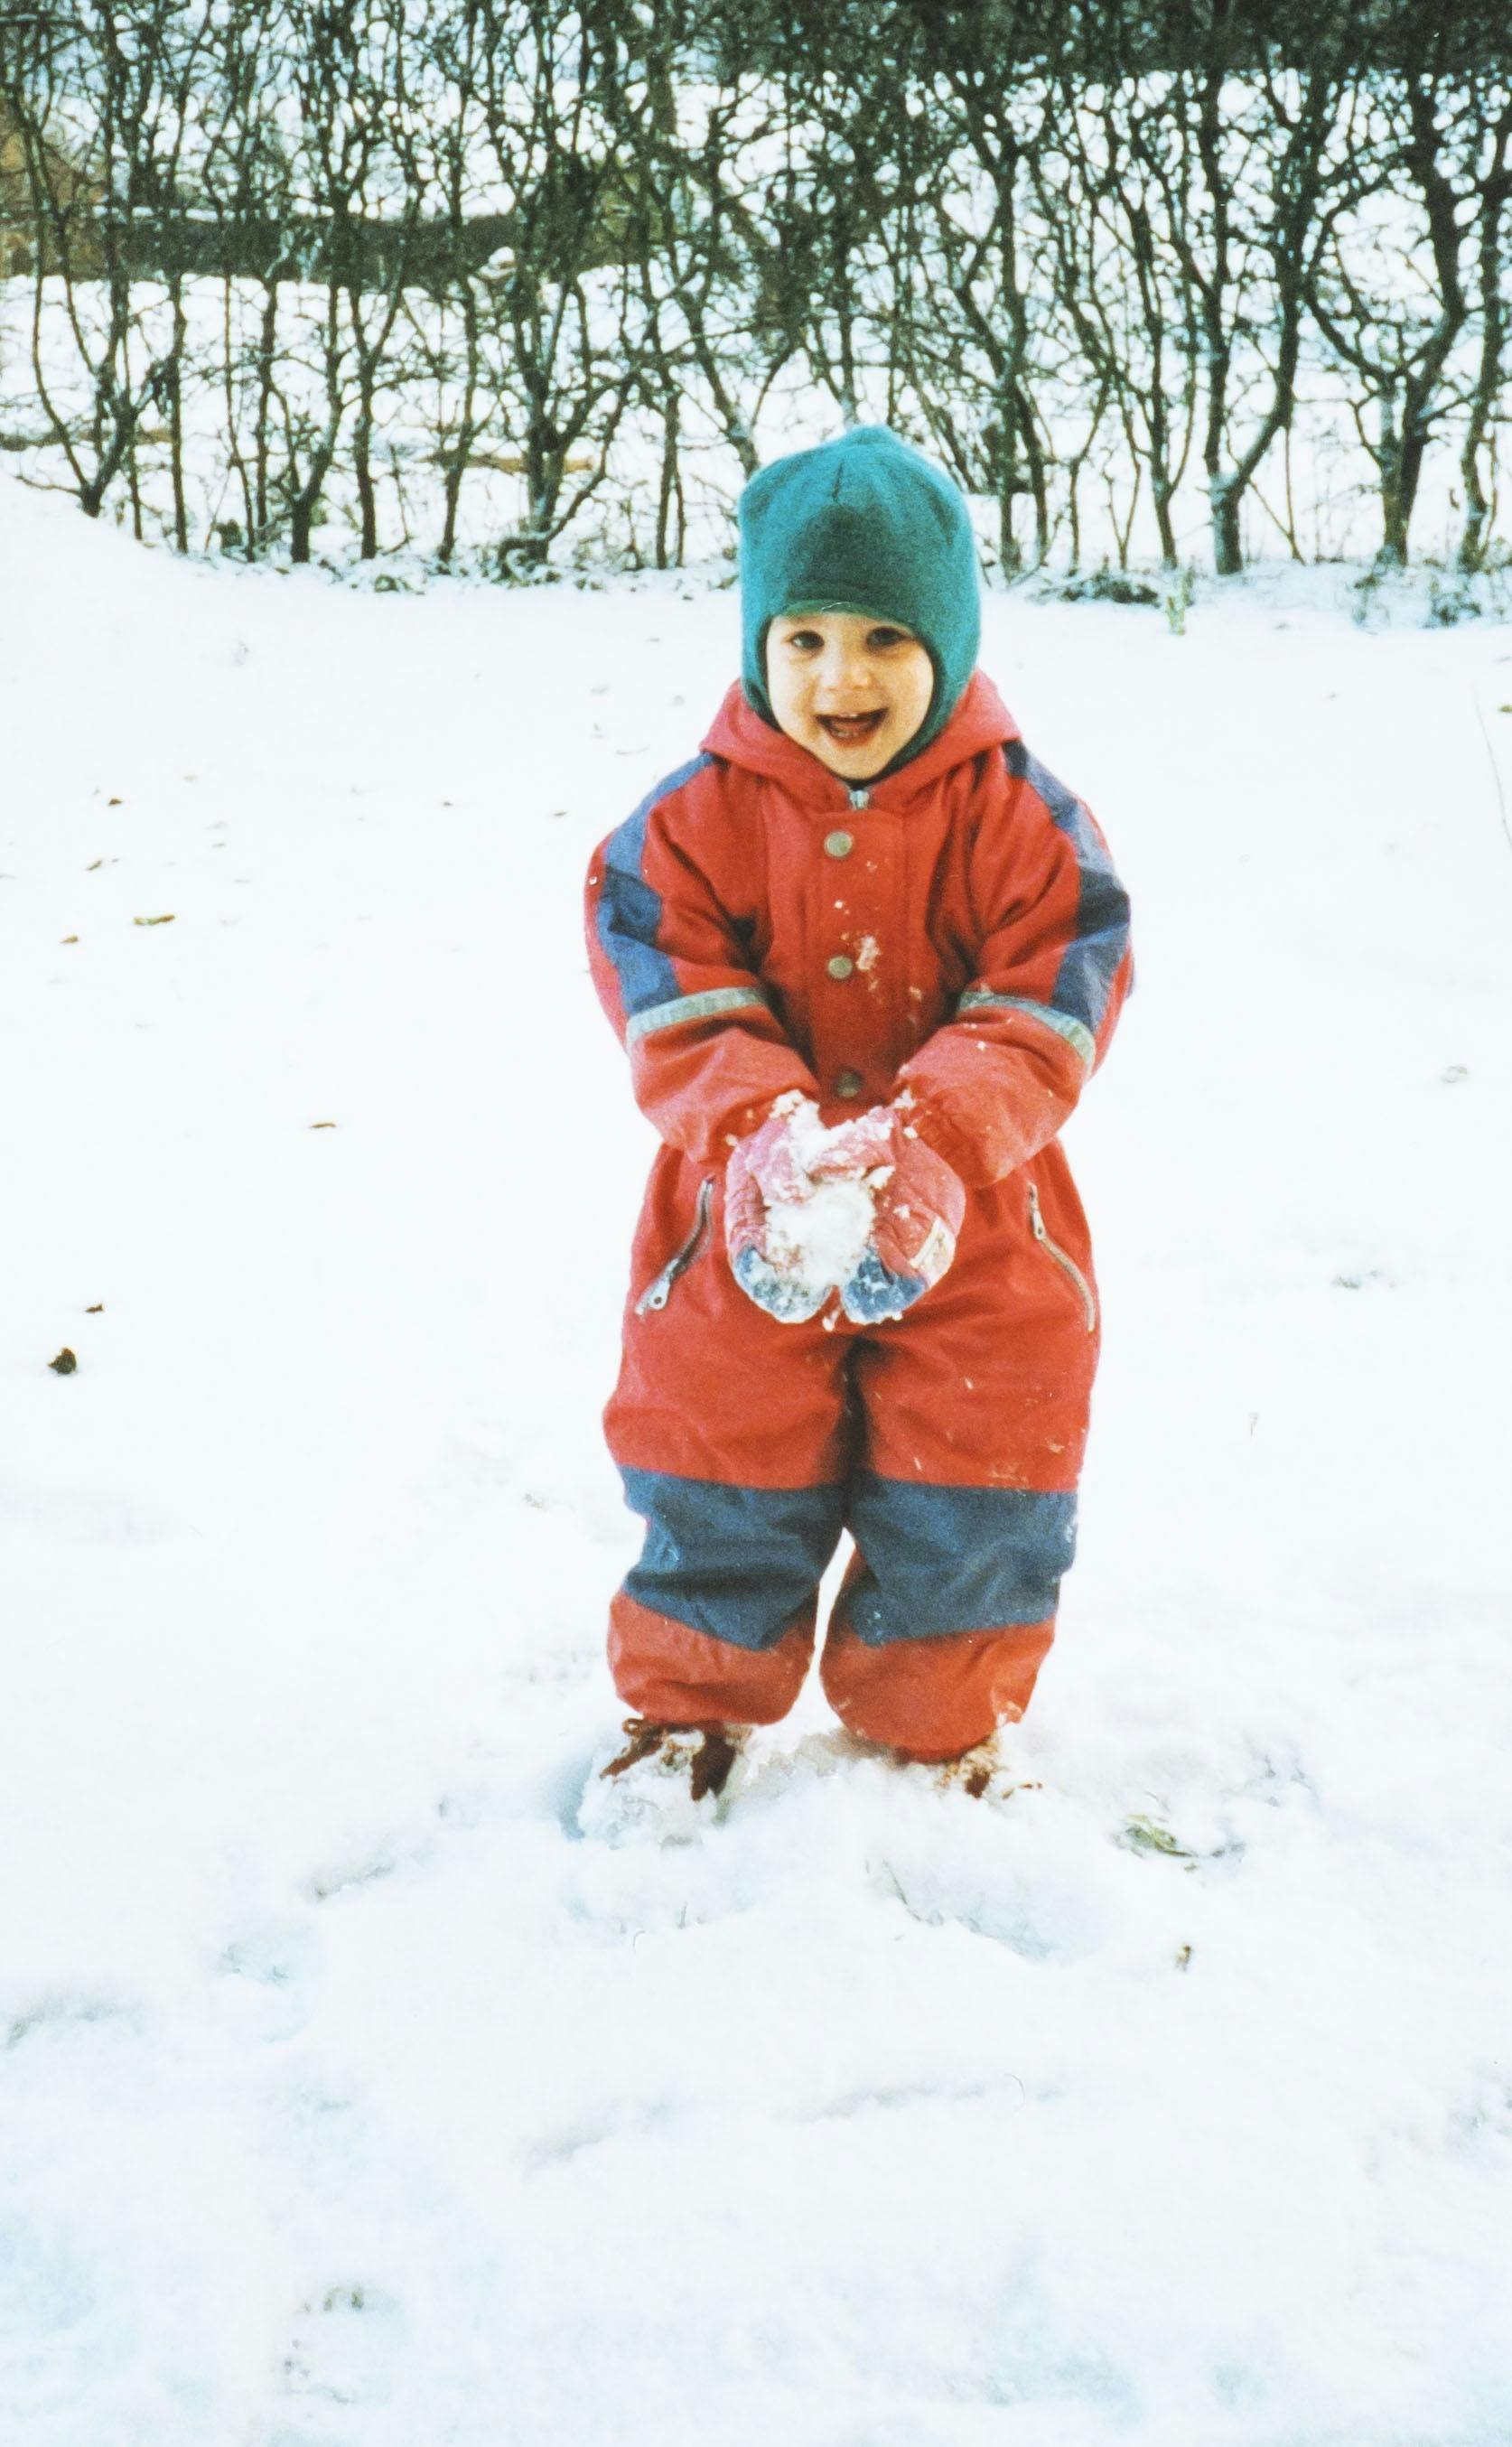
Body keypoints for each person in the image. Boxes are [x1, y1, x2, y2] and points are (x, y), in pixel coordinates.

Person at [581, 425, 1132, 1839]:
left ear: (947, 641)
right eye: (806, 637)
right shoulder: (686, 825)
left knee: (977, 1470)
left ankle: (940, 1720)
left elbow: (1051, 991)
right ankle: (688, 1704)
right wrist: (758, 1128)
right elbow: (666, 990)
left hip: (982, 1213)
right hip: (739, 1211)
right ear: (757, 641)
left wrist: (933, 1133)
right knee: (719, 1455)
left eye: (885, 637)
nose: (842, 677)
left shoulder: (1024, 820)